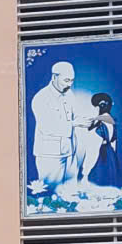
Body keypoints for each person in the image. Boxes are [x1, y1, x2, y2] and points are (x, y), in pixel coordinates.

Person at [30, 60, 96, 194]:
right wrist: (75, 123)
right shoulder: (41, 98)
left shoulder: (69, 94)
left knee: (71, 192)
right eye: (66, 80)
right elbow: (47, 127)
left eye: (72, 81)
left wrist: (87, 119)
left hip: (69, 151)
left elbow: (75, 114)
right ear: (54, 77)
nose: (69, 84)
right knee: (50, 193)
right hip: (50, 154)